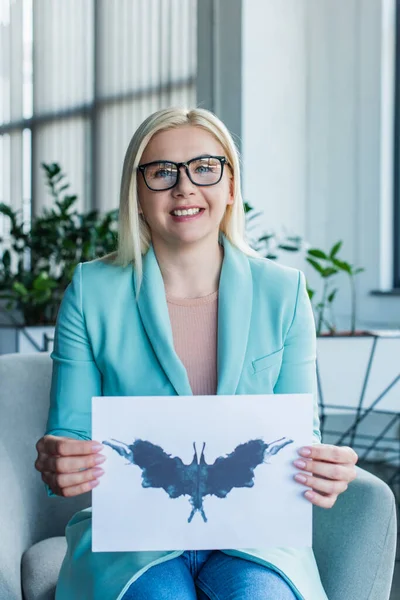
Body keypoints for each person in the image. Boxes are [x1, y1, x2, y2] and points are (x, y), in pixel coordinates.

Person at [34, 107, 357, 600]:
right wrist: (61, 461)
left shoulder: (285, 292)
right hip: (133, 538)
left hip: (255, 540)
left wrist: (325, 469)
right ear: (137, 196)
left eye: (205, 167)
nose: (184, 187)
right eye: (162, 173)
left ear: (230, 187)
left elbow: (299, 438)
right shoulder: (92, 290)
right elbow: (72, 436)